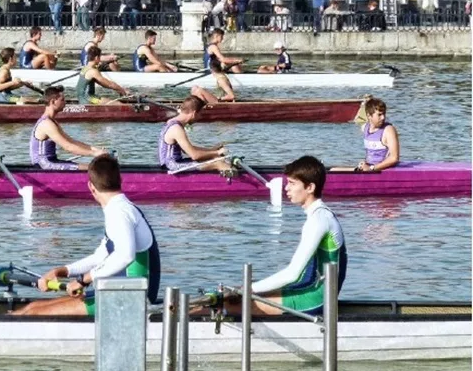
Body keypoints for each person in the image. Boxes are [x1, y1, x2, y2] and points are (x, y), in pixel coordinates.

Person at [194, 156, 347, 316]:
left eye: (292, 183)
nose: (287, 188)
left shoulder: (318, 220)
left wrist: (246, 289)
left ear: (310, 187)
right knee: (230, 299)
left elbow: (292, 274)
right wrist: (245, 290)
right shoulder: (320, 215)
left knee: (216, 308)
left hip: (315, 299)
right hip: (308, 288)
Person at [13, 154, 160, 316]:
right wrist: (63, 271)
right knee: (32, 307)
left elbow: (125, 256)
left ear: (91, 186)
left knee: (32, 314)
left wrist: (83, 280)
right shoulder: (120, 208)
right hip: (118, 292)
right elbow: (100, 258)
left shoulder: (119, 212)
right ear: (121, 180)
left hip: (131, 300)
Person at [30, 86, 107, 170]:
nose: (65, 102)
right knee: (94, 169)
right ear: (53, 102)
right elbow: (68, 147)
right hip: (44, 165)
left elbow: (71, 141)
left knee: (93, 167)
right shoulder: (46, 124)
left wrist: (95, 149)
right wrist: (94, 153)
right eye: (62, 100)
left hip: (52, 162)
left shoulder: (52, 121)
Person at [158, 96, 231, 173]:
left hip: (175, 163)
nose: (199, 117)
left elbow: (187, 149)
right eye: (200, 114)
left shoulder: (172, 122)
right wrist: (216, 153)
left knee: (215, 158)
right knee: (218, 164)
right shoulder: (176, 128)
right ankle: (236, 181)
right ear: (194, 113)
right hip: (172, 166)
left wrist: (212, 151)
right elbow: (194, 155)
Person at [192, 29, 238, 103]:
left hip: (220, 102)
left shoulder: (221, 79)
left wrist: (219, 98)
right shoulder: (213, 47)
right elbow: (223, 59)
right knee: (195, 90)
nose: (222, 39)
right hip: (211, 68)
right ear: (216, 36)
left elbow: (232, 96)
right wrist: (237, 61)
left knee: (196, 89)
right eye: (222, 37)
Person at [356, 98, 400, 172]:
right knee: (334, 170)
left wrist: (371, 168)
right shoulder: (364, 128)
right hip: (371, 169)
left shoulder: (389, 130)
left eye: (384, 114)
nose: (383, 117)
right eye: (379, 115)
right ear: (369, 116)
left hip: (384, 171)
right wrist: (364, 164)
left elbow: (394, 158)